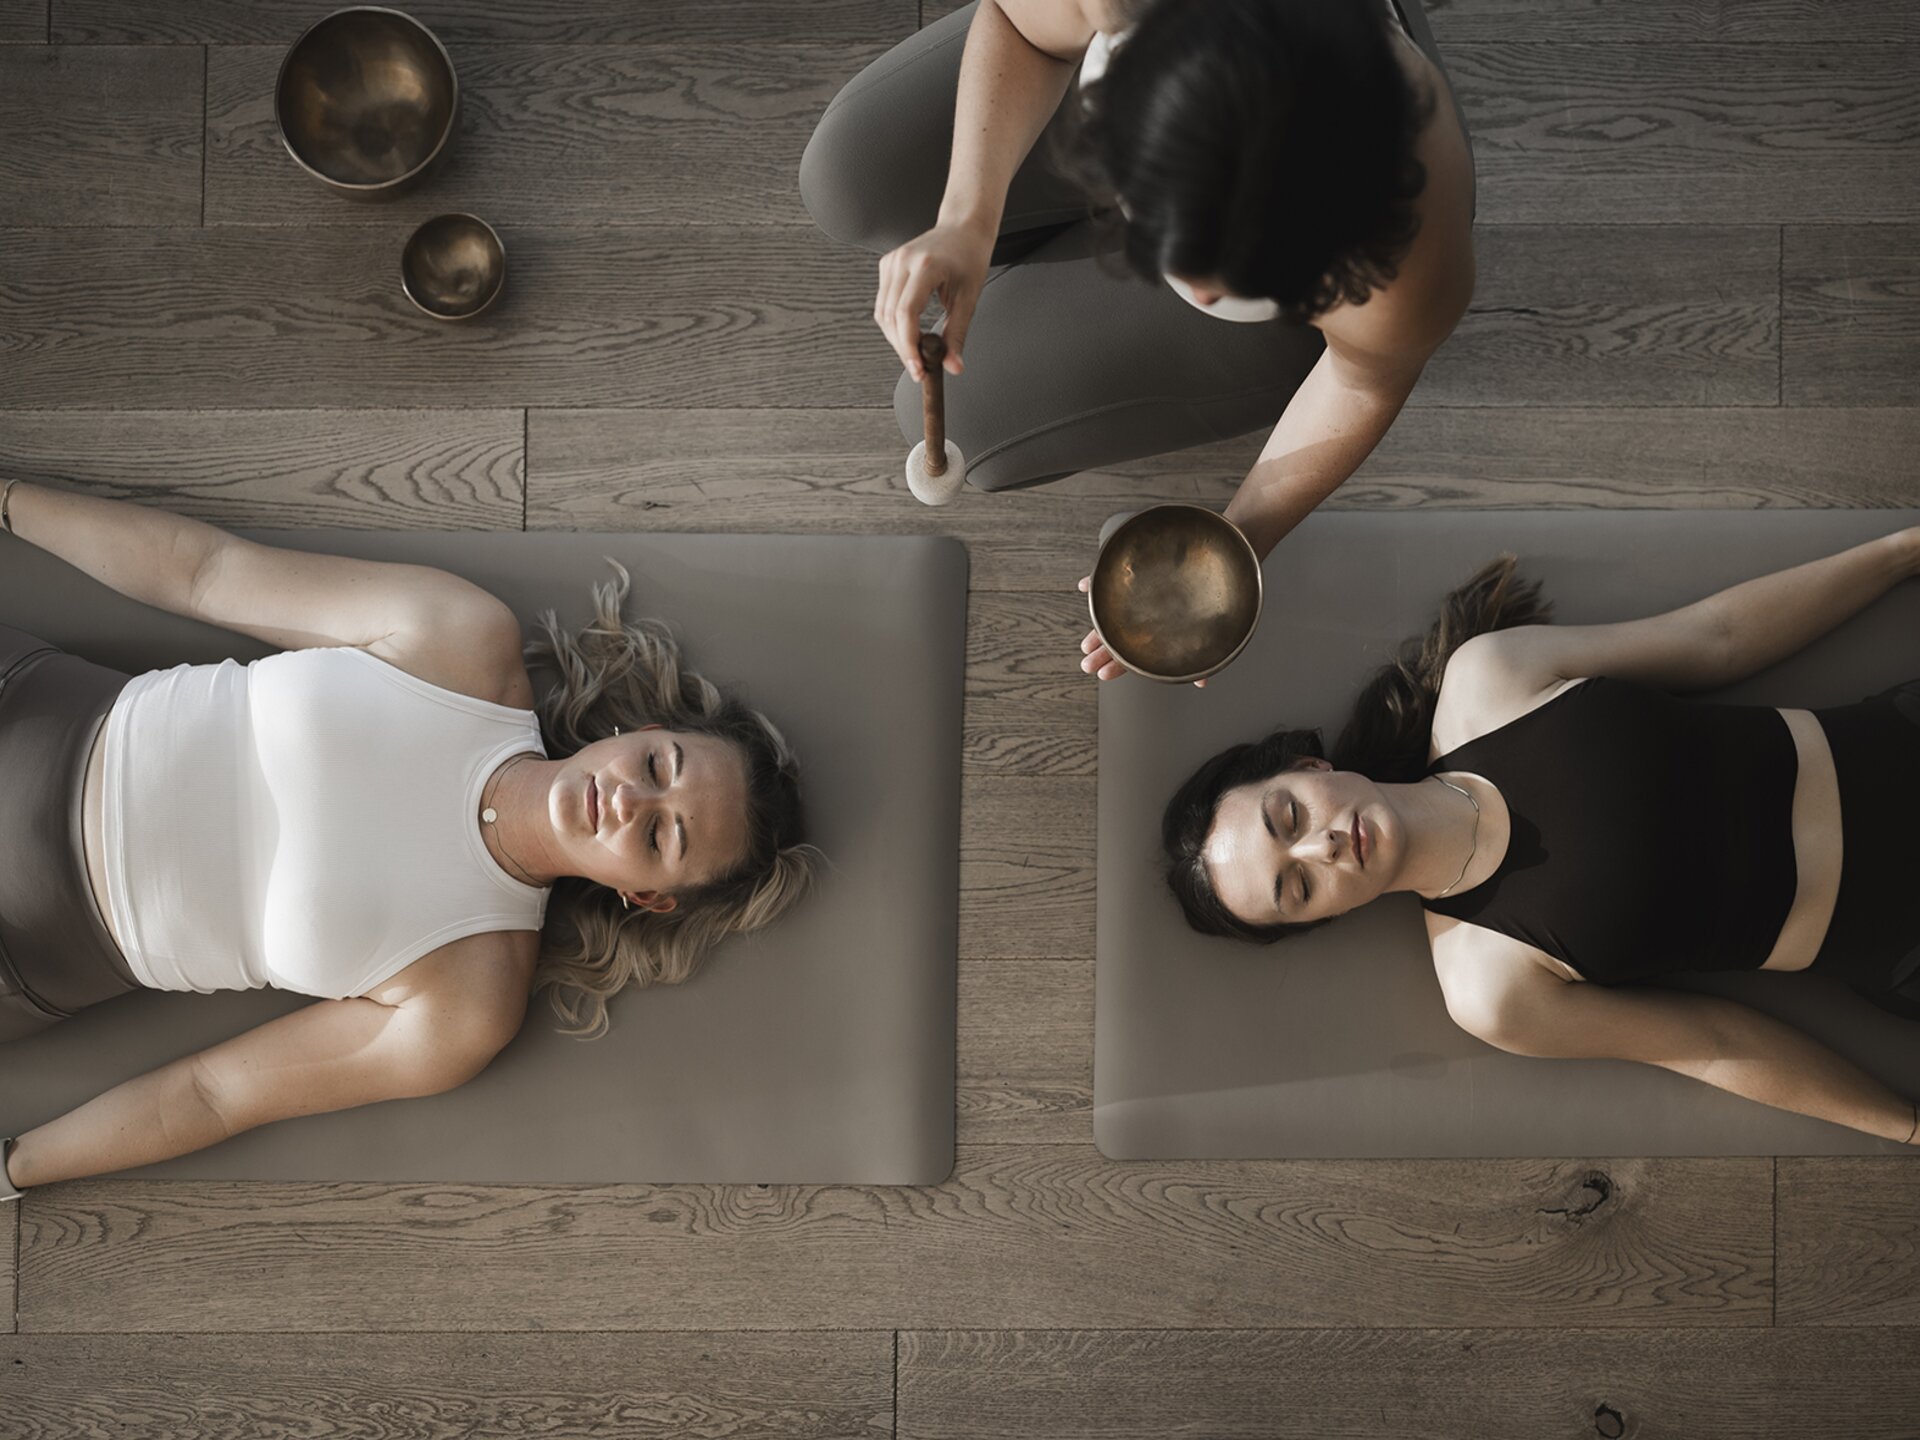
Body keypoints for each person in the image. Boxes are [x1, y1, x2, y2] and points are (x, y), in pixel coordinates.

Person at [0, 479, 818, 1199]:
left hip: (25, 947)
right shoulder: (458, 639)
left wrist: (13, 1169)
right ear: (638, 732)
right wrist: (6, 501)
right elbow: (204, 572)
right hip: (27, 715)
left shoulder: (467, 1005)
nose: (627, 799)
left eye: (661, 834)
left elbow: (214, 1093)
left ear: (644, 895)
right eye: (657, 764)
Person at [1162, 527, 1920, 1148]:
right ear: (1323, 917)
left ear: (1307, 765)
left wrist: (1901, 554)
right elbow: (1715, 1043)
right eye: (1297, 889)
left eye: (1287, 818)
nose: (1320, 850)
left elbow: (1716, 638)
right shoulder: (1487, 989)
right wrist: (1909, 1127)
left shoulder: (1488, 680)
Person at [800, 0, 1476, 681]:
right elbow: (1020, 25)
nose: (1203, 296)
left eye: (1248, 274)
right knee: (847, 177)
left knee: (976, 426)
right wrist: (966, 218)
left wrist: (1238, 539)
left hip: (1336, 291)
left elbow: (1363, 381)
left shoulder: (1406, 247)